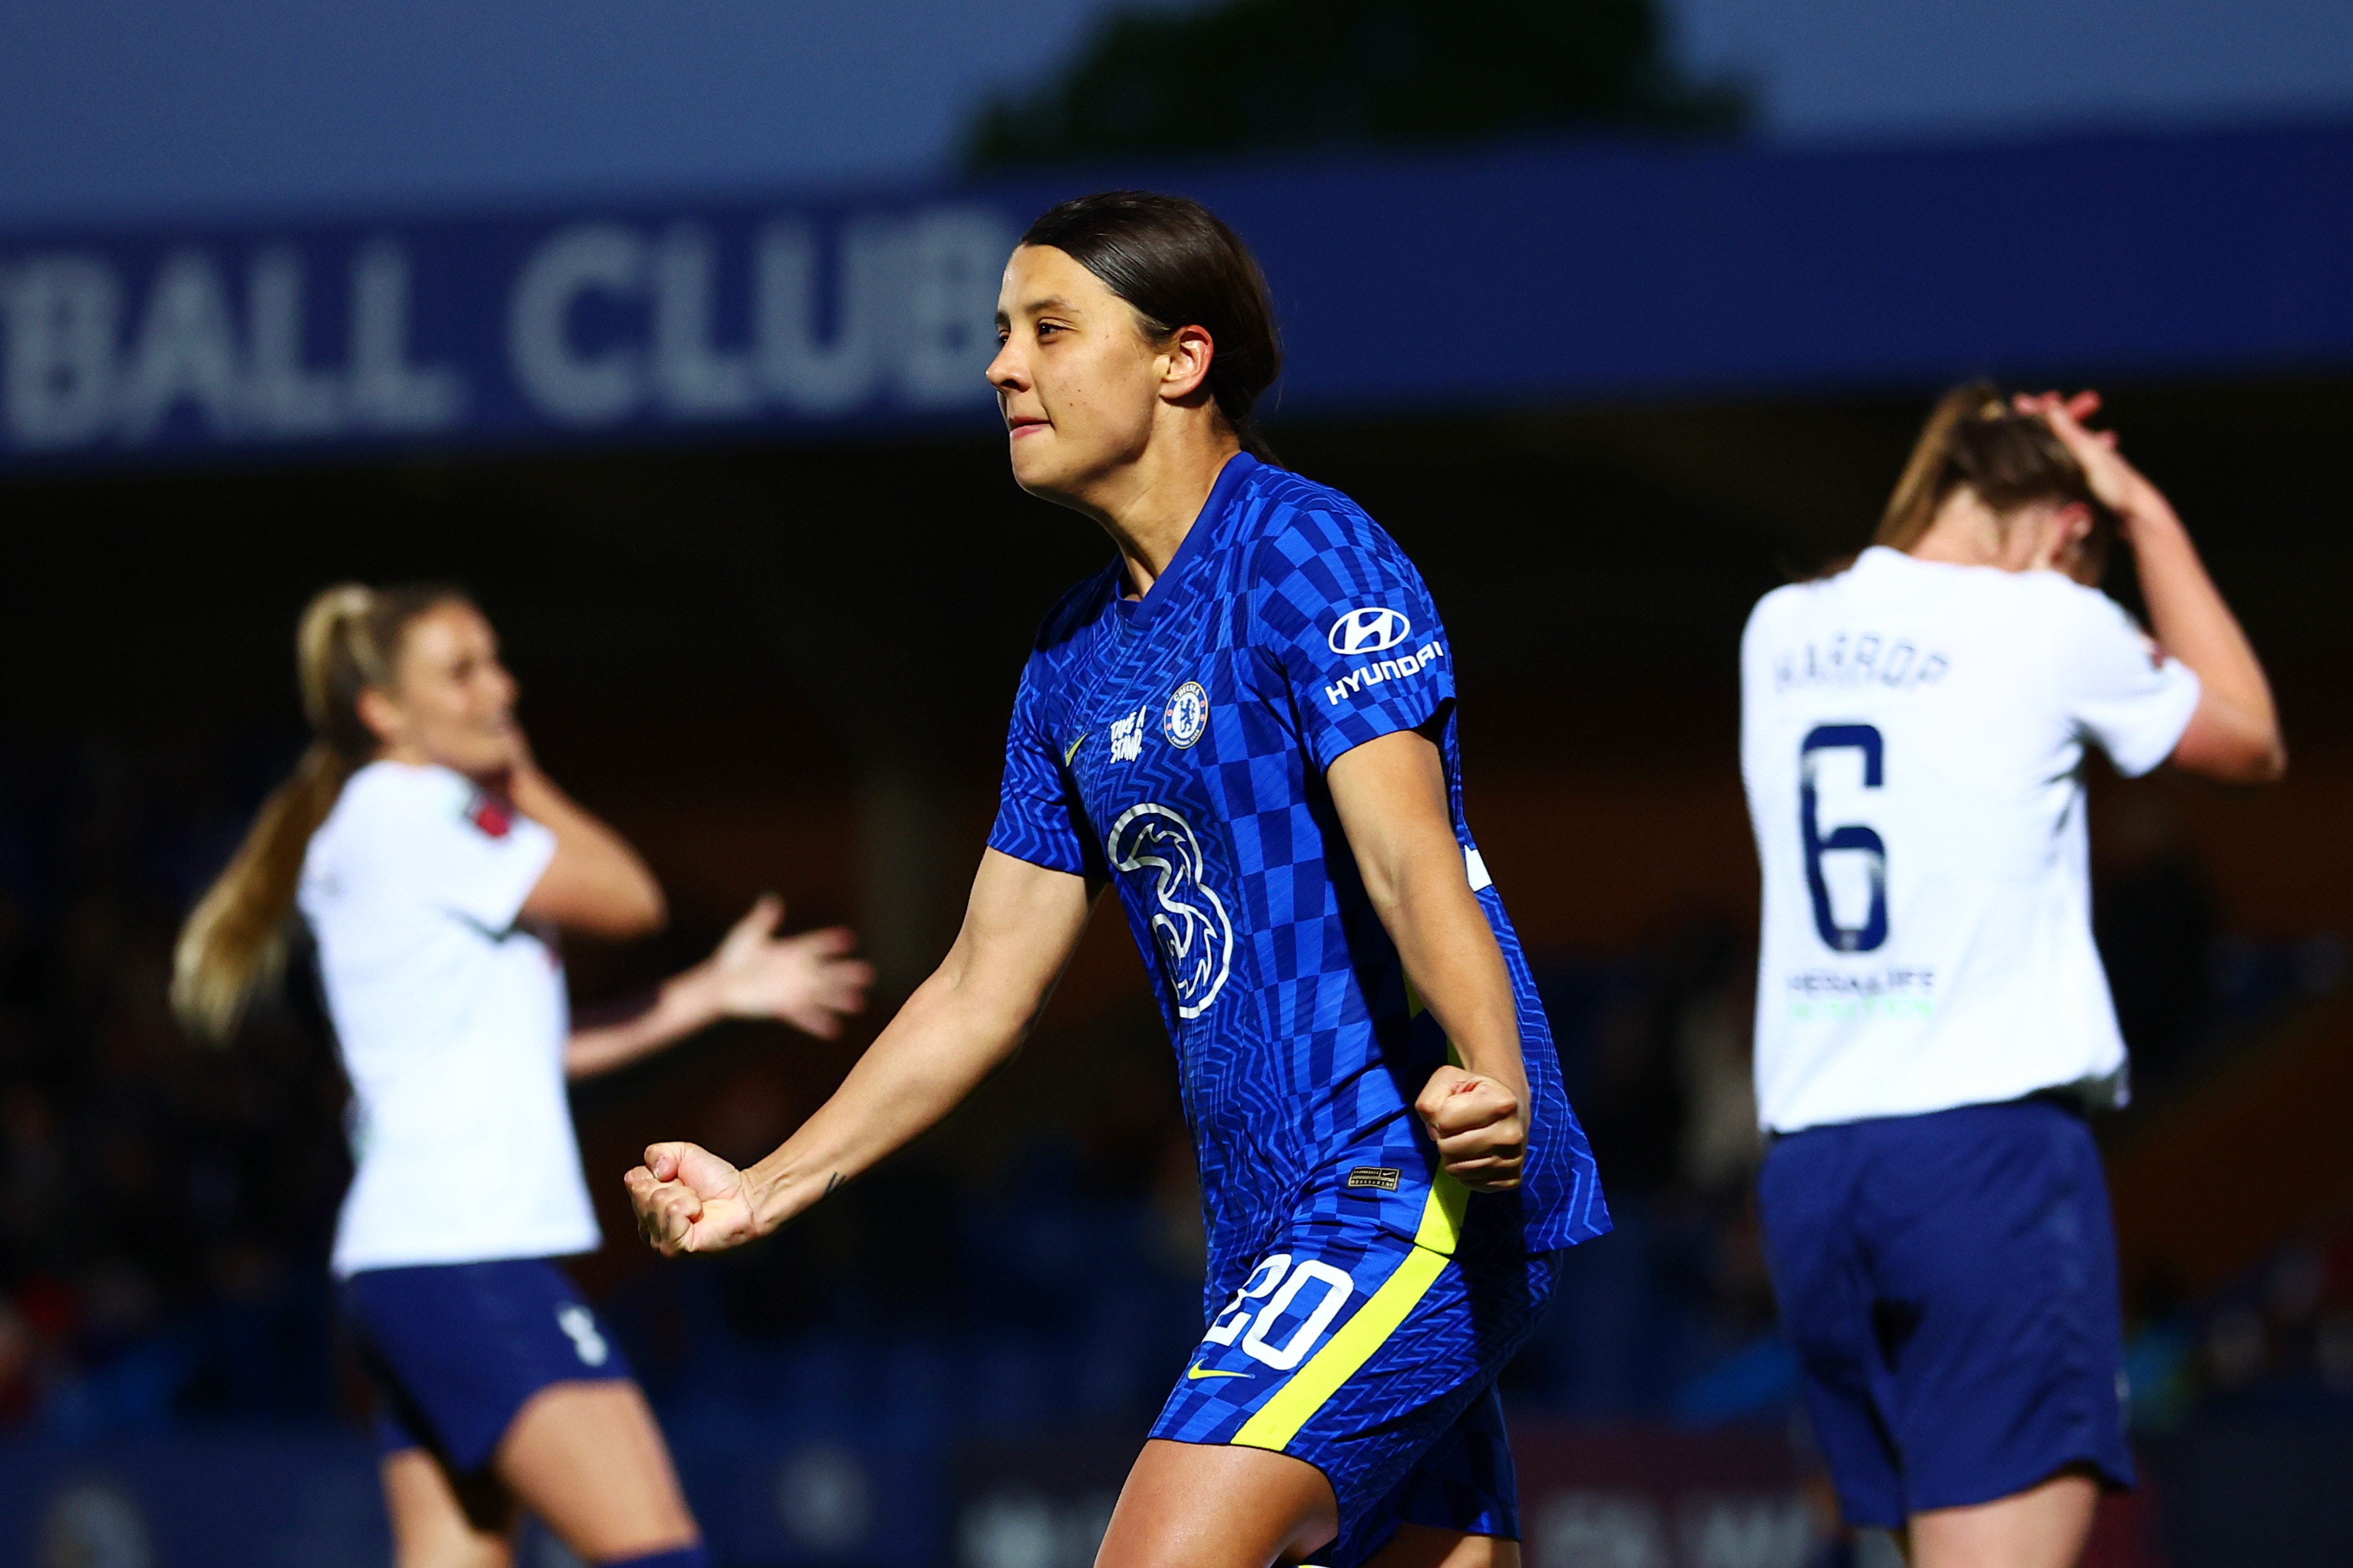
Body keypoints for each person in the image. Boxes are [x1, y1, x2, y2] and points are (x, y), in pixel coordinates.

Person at [625, 190, 1609, 1568]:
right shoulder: (1068, 661)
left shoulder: (1304, 552)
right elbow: (979, 985)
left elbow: (1407, 857)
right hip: (1266, 1224)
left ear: (1178, 358)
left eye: (1046, 328)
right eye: (998, 334)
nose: (999, 367)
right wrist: (766, 1186)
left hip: (1404, 1184)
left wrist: (1490, 1075)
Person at [173, 583, 873, 1568]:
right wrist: (522, 773)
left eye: (496, 661)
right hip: (467, 1260)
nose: (500, 688)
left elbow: (520, 1046)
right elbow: (629, 898)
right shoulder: (418, 810)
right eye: (461, 670)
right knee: (659, 1555)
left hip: (402, 1268)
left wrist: (710, 993)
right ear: (383, 711)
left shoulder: (379, 825)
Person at [1739, 386, 2285, 1568]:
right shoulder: (2046, 619)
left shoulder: (1782, 625)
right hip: (1982, 1163)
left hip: (1818, 1176)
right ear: (2061, 524)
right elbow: (2250, 735)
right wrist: (2145, 512)